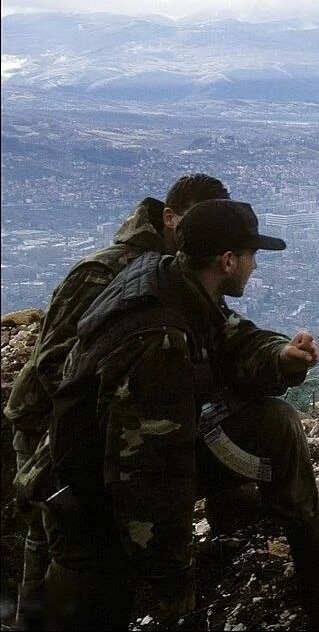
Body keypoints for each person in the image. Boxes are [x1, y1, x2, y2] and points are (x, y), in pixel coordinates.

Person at [46, 199, 319, 630]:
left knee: (274, 424)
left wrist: (280, 357)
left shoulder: (172, 278)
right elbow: (150, 472)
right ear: (228, 261)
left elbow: (231, 336)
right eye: (251, 256)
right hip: (97, 502)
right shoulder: (159, 341)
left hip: (115, 470)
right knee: (94, 607)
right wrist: (173, 582)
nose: (254, 267)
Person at [4, 174, 229, 628]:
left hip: (91, 428)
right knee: (53, 545)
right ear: (170, 218)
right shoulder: (107, 272)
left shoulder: (174, 276)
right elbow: (56, 365)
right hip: (48, 425)